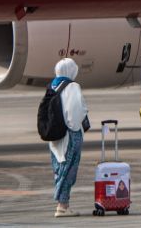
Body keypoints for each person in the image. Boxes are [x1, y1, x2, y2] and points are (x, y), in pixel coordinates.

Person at [48, 58, 88, 217]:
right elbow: (76, 112)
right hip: (70, 134)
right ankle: (62, 205)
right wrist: (76, 128)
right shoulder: (72, 86)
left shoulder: (52, 85)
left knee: (59, 168)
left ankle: (62, 204)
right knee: (69, 169)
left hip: (55, 135)